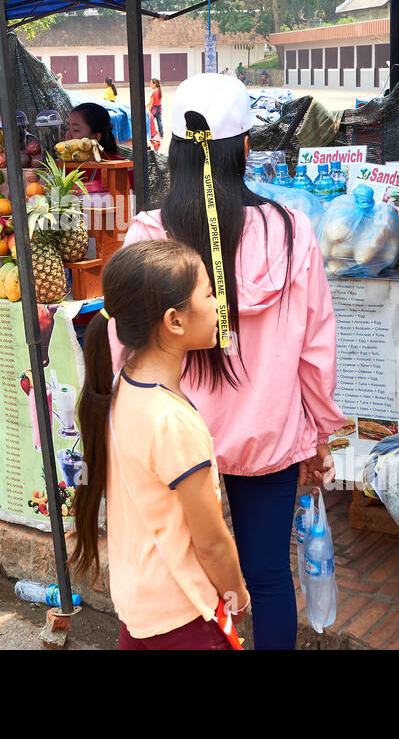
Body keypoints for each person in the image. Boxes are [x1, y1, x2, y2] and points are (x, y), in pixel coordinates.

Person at [118, 73, 342, 650]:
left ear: (172, 151)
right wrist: (319, 433)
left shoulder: (147, 233)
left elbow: (128, 345)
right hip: (268, 437)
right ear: (245, 148)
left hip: (178, 448)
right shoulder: (291, 231)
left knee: (194, 582)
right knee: (267, 578)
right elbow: (316, 347)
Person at [71, 238, 249, 649]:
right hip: (183, 611)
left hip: (137, 608)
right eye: (209, 293)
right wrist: (236, 594)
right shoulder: (172, 422)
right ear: (174, 321)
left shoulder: (121, 387)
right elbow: (211, 540)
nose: (219, 302)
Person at [66, 102, 126, 196]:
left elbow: (123, 204)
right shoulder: (61, 166)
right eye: (67, 128)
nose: (68, 135)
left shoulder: (120, 167)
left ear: (96, 137)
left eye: (76, 130)